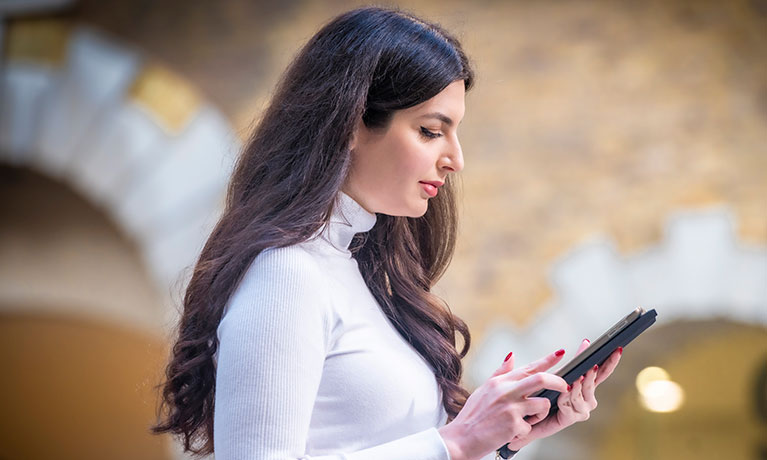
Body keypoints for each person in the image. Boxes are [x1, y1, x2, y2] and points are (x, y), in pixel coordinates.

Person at [151, 6, 622, 460]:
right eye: (431, 131)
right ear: (352, 123)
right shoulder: (288, 274)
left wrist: (499, 438)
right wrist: (455, 442)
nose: (456, 159)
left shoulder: (358, 274)